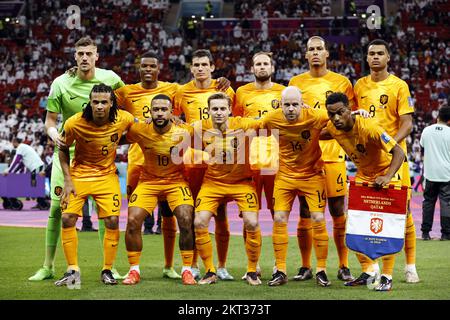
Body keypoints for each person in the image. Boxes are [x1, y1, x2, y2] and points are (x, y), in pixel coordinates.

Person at [29, 36, 126, 281]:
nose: (84, 57)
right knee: (56, 209)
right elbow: (50, 121)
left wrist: (116, 139)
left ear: (96, 56)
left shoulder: (111, 79)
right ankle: (48, 266)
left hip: (100, 157)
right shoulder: (60, 83)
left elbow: (128, 107)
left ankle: (110, 267)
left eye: (89, 53)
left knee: (107, 214)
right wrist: (54, 135)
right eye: (80, 53)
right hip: (67, 156)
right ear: (74, 56)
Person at [54, 84, 136, 287]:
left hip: (106, 177)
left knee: (112, 221)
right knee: (66, 218)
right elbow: (63, 149)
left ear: (111, 103)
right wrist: (67, 179)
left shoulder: (123, 118)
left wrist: (119, 140)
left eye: (103, 102)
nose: (99, 106)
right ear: (90, 102)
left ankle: (107, 269)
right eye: (95, 102)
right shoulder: (75, 122)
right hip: (79, 175)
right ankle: (72, 270)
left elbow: (139, 130)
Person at [352, 39, 419, 284]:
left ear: (388, 57)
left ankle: (410, 266)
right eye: (372, 54)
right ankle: (371, 268)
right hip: (368, 161)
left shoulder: (399, 86)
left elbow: (407, 123)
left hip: (394, 159)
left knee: (404, 211)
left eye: (380, 53)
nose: (376, 57)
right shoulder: (359, 86)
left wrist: (390, 144)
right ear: (367, 58)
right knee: (363, 212)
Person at [324, 92, 406, 291]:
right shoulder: (332, 128)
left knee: (386, 228)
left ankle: (386, 276)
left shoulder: (369, 127)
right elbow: (317, 132)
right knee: (355, 227)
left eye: (340, 112)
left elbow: (399, 152)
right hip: (363, 175)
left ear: (349, 109)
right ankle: (369, 271)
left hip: (386, 174)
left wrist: (387, 177)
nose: (336, 118)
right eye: (331, 114)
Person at [289, 36, 355, 282]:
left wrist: (326, 131)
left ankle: (344, 265)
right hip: (306, 158)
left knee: (338, 210)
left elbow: (349, 119)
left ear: (327, 53)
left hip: (334, 156)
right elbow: (292, 117)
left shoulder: (342, 82)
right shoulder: (296, 83)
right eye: (310, 50)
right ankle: (306, 266)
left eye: (319, 49)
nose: (315, 53)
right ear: (305, 55)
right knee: (305, 211)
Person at [115, 51, 180, 279]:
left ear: (158, 68)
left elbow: (196, 93)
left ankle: (169, 266)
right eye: (144, 66)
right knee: (135, 217)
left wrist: (220, 83)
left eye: (152, 66)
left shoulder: (172, 89)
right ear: (139, 68)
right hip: (137, 163)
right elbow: (102, 100)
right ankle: (134, 268)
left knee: (168, 215)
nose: (148, 70)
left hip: (167, 165)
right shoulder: (126, 92)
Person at [120, 94, 197, 286]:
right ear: (150, 112)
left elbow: (209, 142)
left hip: (175, 182)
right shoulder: (140, 129)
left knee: (187, 218)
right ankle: (134, 270)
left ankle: (187, 269)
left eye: (164, 109)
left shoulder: (186, 130)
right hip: (148, 182)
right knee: (132, 220)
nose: (160, 113)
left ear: (172, 112)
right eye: (156, 109)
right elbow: (115, 137)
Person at [259, 86, 331, 287]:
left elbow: (339, 116)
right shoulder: (271, 119)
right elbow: (251, 126)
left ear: (302, 104)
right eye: (287, 105)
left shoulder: (315, 115)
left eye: (294, 104)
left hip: (312, 175)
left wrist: (356, 114)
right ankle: (280, 270)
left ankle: (322, 270)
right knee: (280, 217)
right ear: (280, 105)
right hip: (285, 176)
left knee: (317, 217)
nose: (291, 109)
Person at [174, 49, 235, 281]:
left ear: (212, 67)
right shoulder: (181, 92)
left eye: (204, 64)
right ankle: (194, 264)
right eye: (196, 64)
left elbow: (235, 120)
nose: (200, 68)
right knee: (192, 215)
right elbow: (174, 118)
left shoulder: (224, 89)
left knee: (221, 215)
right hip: (191, 162)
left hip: (218, 162)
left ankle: (221, 265)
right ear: (191, 68)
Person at [193, 92, 262, 286]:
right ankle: (210, 271)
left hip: (242, 183)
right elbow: (175, 128)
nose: (219, 113)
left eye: (223, 109)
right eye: (214, 109)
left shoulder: (243, 123)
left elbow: (267, 120)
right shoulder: (199, 127)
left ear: (229, 110)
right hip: (212, 183)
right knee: (199, 222)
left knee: (252, 222)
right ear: (208, 111)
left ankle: (251, 271)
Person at [233, 51, 285, 279]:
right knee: (248, 215)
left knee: (278, 214)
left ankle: (278, 264)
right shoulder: (241, 93)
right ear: (252, 68)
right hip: (250, 163)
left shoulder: (283, 92)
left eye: (265, 63)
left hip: (276, 162)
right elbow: (234, 124)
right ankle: (252, 266)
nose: (262, 67)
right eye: (258, 64)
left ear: (272, 67)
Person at [420, 106, 450, 241]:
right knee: (446, 203)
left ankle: (425, 233)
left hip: (430, 173)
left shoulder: (426, 130)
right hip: (446, 174)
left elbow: (423, 149)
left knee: (428, 202)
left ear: (437, 116)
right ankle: (446, 234)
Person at [3, 137, 49, 210]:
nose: (12, 144)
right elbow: (20, 164)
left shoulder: (20, 147)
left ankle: (41, 201)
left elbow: (16, 161)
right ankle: (40, 201)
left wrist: (9, 172)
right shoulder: (24, 147)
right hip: (37, 166)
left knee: (33, 185)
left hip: (36, 167)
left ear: (14, 142)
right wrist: (12, 172)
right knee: (34, 185)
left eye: (12, 142)